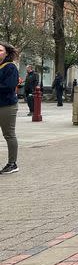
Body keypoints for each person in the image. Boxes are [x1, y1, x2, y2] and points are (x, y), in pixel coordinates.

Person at [0, 42, 20, 175]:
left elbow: (9, 86)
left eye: (0, 50)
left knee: (9, 134)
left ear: (6, 53)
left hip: (7, 105)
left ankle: (12, 163)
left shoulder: (10, 67)